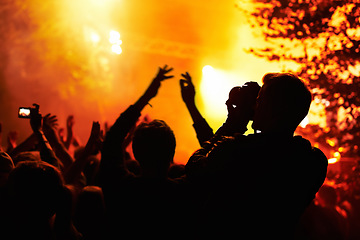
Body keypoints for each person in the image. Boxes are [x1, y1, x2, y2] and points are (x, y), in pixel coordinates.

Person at [185, 73, 328, 239]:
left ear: (269, 108)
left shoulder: (237, 151)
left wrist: (232, 124)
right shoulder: (313, 161)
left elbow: (194, 170)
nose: (254, 106)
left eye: (259, 101)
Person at [99, 65, 194, 240]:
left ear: (135, 152)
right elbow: (216, 154)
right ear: (171, 154)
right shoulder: (186, 193)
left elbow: (112, 139)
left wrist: (148, 95)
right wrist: (191, 106)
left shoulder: (120, 187)